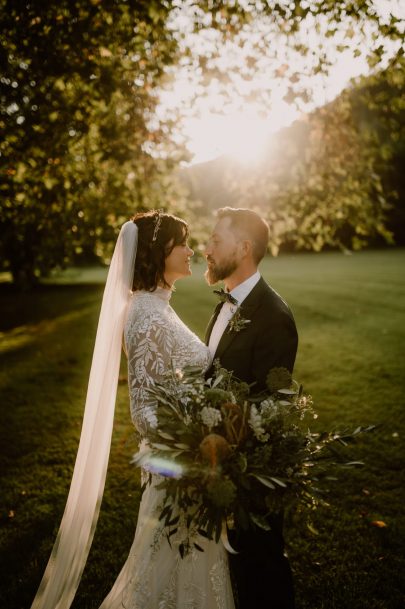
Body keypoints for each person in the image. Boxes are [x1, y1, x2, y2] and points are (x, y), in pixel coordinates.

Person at [31, 210, 235, 609]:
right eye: (183, 244)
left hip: (189, 469)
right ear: (159, 252)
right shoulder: (143, 314)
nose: (192, 250)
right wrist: (197, 441)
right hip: (179, 471)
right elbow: (144, 410)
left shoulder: (157, 306)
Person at [204, 207, 298, 609]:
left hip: (253, 474)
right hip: (220, 462)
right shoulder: (225, 301)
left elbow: (271, 405)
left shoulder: (274, 316)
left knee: (262, 571)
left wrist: (217, 436)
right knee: (236, 568)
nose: (206, 250)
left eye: (215, 241)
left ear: (243, 248)